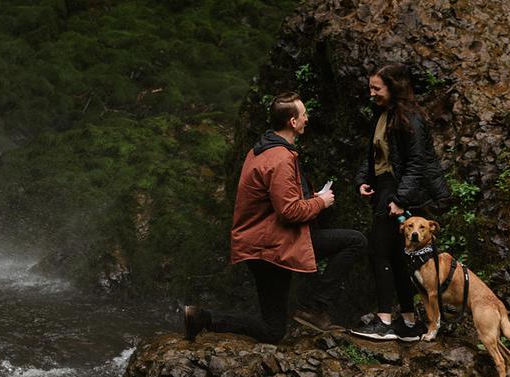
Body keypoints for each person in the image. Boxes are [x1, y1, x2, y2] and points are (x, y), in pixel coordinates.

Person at [184, 92, 366, 343]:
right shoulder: (280, 158)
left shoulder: (262, 150)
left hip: (262, 243)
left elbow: (277, 198)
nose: (307, 118)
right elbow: (289, 211)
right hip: (271, 246)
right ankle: (315, 308)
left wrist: (311, 196)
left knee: (272, 328)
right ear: (293, 122)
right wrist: (320, 202)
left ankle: (202, 317)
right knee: (356, 241)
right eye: (304, 115)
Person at [349, 63, 452, 341]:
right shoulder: (382, 114)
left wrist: (400, 200)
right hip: (385, 188)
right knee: (395, 255)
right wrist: (362, 180)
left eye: (376, 88)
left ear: (393, 88)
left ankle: (385, 321)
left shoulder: (411, 119)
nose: (371, 93)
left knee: (379, 251)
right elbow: (371, 154)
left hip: (400, 191)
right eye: (370, 87)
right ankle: (407, 322)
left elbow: (417, 164)